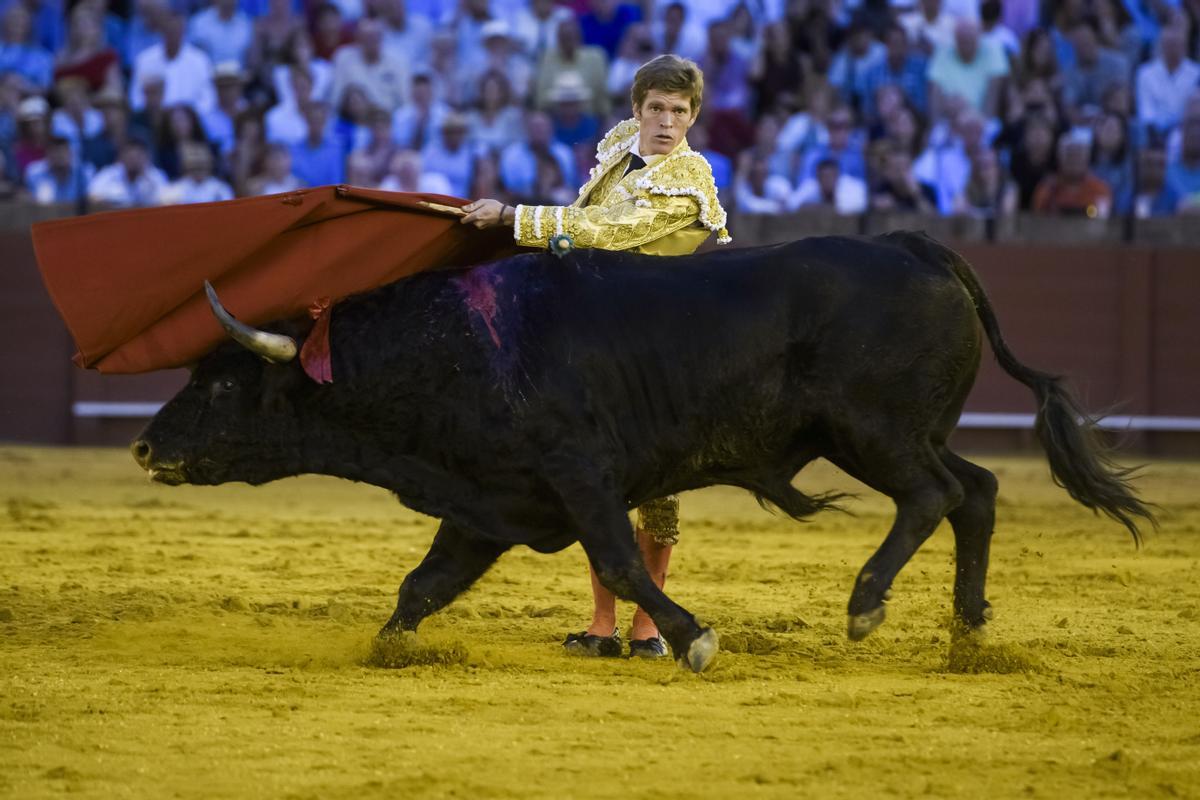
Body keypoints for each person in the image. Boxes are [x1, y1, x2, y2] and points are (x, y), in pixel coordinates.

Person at [459, 54, 730, 660]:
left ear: (692, 119)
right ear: (636, 111)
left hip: (662, 354)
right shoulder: (621, 151)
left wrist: (512, 218)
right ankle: (602, 624)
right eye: (656, 108)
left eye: (678, 112)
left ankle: (648, 628)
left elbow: (610, 230)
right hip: (600, 346)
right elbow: (586, 219)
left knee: (658, 489)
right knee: (597, 481)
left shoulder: (691, 180)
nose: (665, 121)